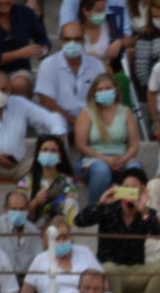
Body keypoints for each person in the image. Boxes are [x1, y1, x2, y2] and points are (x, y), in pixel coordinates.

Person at [73, 168, 160, 293]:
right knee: (109, 268)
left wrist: (143, 210)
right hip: (109, 272)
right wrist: (100, 204)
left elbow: (157, 233)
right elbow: (79, 221)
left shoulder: (146, 213)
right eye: (125, 187)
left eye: (133, 188)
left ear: (142, 190)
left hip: (135, 271)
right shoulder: (108, 208)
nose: (129, 191)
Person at [0, 71, 68, 182]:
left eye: (4, 90)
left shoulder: (20, 103)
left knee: (48, 162)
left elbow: (50, 118)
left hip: (19, 164)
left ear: (11, 90)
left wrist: (58, 136)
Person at [74, 73, 142, 204]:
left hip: (121, 158)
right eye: (100, 90)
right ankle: (95, 209)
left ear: (115, 89)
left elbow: (134, 145)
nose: (104, 92)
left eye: (108, 88)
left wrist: (123, 159)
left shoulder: (126, 112)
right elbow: (80, 145)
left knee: (134, 169)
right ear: (93, 93)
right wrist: (106, 159)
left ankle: (127, 208)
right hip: (93, 159)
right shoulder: (87, 112)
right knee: (102, 170)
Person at [18, 219, 103, 293]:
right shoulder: (40, 260)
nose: (61, 242)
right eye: (56, 239)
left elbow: (103, 282)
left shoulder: (85, 252)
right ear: (48, 240)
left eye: (64, 237)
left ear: (70, 237)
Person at [36, 22, 104, 130]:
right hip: (58, 121)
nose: (72, 43)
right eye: (67, 39)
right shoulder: (48, 65)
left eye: (77, 39)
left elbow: (102, 96)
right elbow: (46, 101)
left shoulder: (97, 65)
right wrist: (74, 121)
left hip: (89, 121)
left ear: (83, 40)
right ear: (60, 40)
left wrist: (87, 121)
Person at [0, 0, 50, 75]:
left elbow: (42, 38)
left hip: (20, 70)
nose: (3, 1)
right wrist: (20, 53)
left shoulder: (26, 13)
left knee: (20, 83)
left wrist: (42, 50)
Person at [18, 135, 80, 227]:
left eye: (53, 151)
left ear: (60, 156)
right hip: (32, 231)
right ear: (38, 154)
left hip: (60, 232)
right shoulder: (25, 181)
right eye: (45, 150)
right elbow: (18, 212)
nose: (49, 153)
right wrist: (35, 202)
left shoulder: (68, 182)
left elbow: (71, 209)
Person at [0, 190, 40, 278]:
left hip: (27, 281)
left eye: (22, 209)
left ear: (27, 209)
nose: (18, 213)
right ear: (5, 208)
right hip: (1, 279)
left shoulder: (33, 231)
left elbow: (38, 262)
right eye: (14, 209)